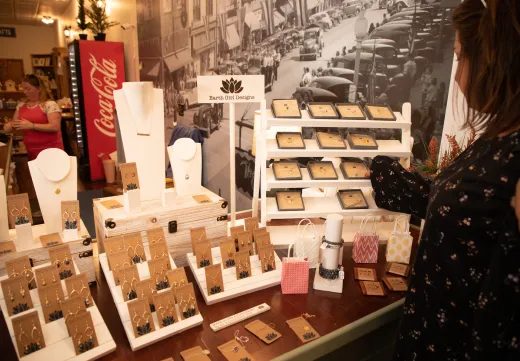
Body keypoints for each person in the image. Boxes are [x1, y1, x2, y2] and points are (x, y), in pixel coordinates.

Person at [370, 1, 520, 359]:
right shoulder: (498, 141)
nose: (455, 76)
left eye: (460, 57)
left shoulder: (510, 155)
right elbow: (455, 205)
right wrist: (383, 173)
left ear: (492, 59)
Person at [3, 74, 63, 160]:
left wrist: (32, 126)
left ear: (39, 88)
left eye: (28, 89)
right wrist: (9, 126)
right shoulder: (21, 105)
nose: (25, 92)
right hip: (31, 151)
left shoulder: (49, 105)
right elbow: (15, 123)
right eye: (24, 89)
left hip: (50, 151)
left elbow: (55, 126)